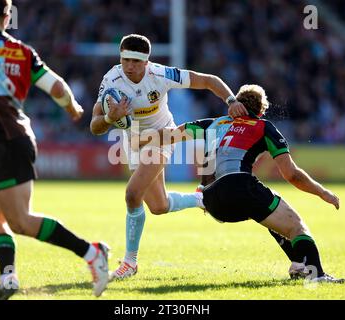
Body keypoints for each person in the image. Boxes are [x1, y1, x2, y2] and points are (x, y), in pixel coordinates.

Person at [0, 0, 109, 299]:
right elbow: (58, 87)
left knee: (20, 221)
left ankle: (92, 252)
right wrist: (72, 107)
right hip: (18, 137)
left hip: (2, 142)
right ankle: (8, 278)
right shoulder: (23, 52)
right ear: (7, 17)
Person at [142, 84, 345, 282]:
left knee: (272, 212)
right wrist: (323, 192)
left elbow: (168, 136)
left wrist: (135, 137)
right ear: (261, 111)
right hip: (239, 188)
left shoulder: (212, 123)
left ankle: (299, 266)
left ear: (235, 105)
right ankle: (317, 276)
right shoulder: (263, 126)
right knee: (297, 227)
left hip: (211, 200)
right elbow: (292, 175)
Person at [90, 34, 247, 280]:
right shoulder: (111, 80)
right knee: (159, 206)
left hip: (162, 136)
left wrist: (231, 100)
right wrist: (110, 118)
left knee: (132, 194)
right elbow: (95, 126)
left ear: (146, 62)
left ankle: (130, 263)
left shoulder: (161, 75)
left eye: (134, 61)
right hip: (133, 140)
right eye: (124, 60)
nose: (128, 66)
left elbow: (208, 80)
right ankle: (201, 198)